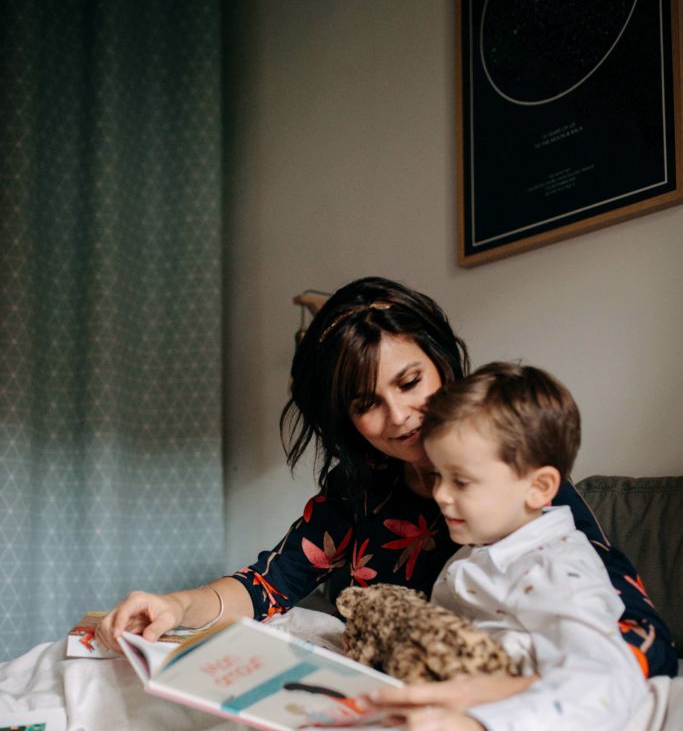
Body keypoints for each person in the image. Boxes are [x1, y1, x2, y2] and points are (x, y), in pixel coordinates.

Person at [96, 277, 676, 692]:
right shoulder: (356, 495)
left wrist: (528, 697)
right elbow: (263, 587)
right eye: (367, 403)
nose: (400, 416)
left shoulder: (517, 488)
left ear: (443, 363)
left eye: (410, 381)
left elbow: (638, 631)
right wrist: (173, 605)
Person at [367, 363, 648, 731]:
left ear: (538, 488)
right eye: (439, 476)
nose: (440, 495)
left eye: (461, 482)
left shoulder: (556, 568)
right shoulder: (479, 549)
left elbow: (602, 680)